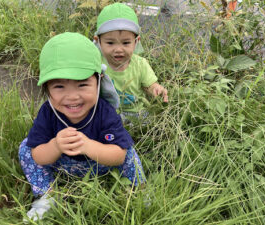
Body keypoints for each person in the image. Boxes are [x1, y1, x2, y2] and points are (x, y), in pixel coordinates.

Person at [18, 32, 146, 222]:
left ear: (99, 81)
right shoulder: (48, 112)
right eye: (59, 87)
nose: (72, 96)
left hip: (99, 163)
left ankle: (141, 192)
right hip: (62, 164)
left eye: (82, 85)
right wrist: (55, 146)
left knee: (128, 152)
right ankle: (47, 195)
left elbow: (118, 156)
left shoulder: (104, 112)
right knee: (26, 148)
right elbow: (38, 156)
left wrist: (88, 146)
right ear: (46, 88)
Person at [93, 3, 168, 122]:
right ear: (98, 41)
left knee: (152, 126)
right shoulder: (96, 63)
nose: (118, 49)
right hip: (106, 113)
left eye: (126, 43)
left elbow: (150, 86)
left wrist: (156, 90)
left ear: (136, 41)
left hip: (137, 114)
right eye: (110, 43)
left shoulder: (140, 64)